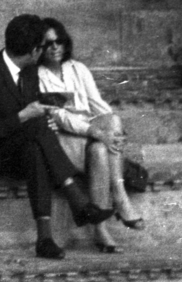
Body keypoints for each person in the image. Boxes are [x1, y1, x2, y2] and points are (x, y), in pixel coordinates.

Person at [0, 14, 102, 259]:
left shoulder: (29, 71)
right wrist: (23, 116)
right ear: (35, 50)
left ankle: (45, 239)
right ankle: (76, 199)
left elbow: (31, 118)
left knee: (36, 147)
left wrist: (35, 118)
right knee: (35, 132)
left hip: (19, 146)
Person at [36, 19, 144, 253]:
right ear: (40, 47)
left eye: (59, 42)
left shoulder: (78, 69)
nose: (55, 47)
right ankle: (109, 217)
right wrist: (96, 132)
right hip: (64, 139)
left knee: (107, 130)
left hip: (90, 135)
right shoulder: (38, 76)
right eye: (48, 44)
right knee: (97, 146)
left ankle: (112, 204)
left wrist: (116, 132)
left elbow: (98, 105)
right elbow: (60, 116)